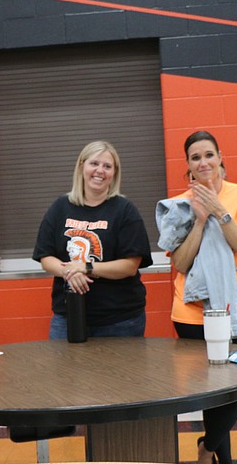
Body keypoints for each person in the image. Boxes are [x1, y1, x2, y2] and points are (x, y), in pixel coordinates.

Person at [165, 131, 237, 464]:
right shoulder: (178, 204)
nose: (203, 162)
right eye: (195, 157)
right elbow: (179, 262)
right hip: (192, 314)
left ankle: (207, 447)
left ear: (220, 158)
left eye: (208, 155)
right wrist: (199, 219)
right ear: (188, 166)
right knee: (212, 391)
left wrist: (219, 211)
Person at [33, 140, 152, 339]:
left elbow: (130, 265)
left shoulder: (125, 210)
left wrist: (86, 267)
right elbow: (45, 257)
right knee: (65, 371)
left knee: (123, 372)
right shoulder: (60, 207)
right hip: (67, 317)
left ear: (114, 173)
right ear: (82, 166)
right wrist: (70, 271)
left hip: (120, 321)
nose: (100, 171)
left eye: (107, 166)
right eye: (94, 163)